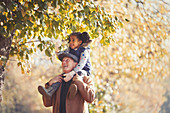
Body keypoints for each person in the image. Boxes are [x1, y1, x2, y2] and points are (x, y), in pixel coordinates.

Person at [38, 32, 92, 98]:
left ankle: (74, 90)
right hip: (74, 70)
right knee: (61, 78)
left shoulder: (84, 51)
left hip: (84, 70)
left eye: (73, 40)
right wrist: (57, 51)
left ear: (80, 42)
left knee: (78, 75)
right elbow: (62, 53)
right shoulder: (70, 49)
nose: (70, 42)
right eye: (69, 40)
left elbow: (81, 64)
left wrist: (73, 73)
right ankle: (49, 91)